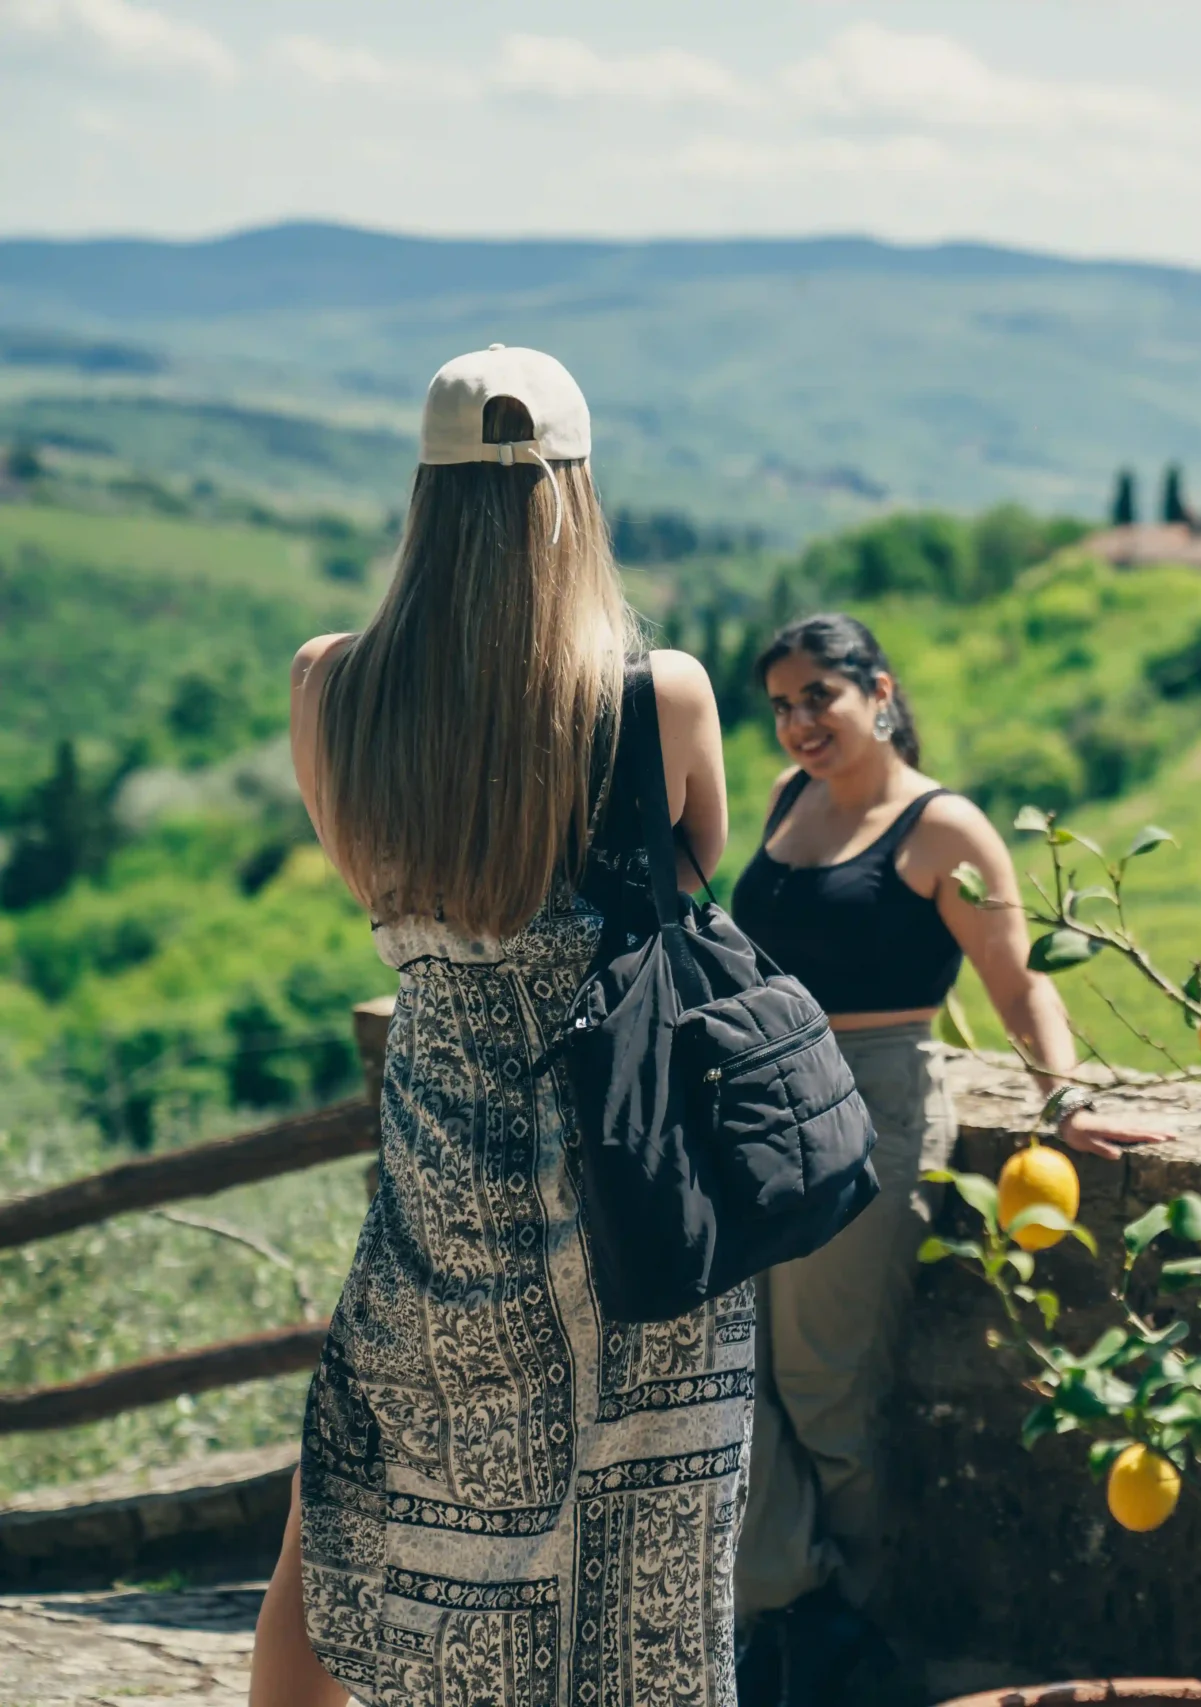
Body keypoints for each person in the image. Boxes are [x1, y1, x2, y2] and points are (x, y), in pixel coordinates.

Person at [250, 346, 743, 1707]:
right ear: (574, 495)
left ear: (424, 498)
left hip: (442, 1176)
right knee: (646, 1535)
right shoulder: (665, 693)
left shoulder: (328, 689)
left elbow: (372, 879)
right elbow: (691, 869)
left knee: (351, 1507)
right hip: (635, 1174)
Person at [726, 613, 1171, 1704]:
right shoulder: (790, 805)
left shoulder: (942, 828)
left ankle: (845, 1646)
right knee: (725, 1375)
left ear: (877, 691)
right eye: (780, 704)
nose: (796, 723)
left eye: (817, 697)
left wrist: (1062, 1098)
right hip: (753, 1106)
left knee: (827, 1390)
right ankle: (791, 1605)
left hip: (869, 1104)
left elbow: (1018, 981)